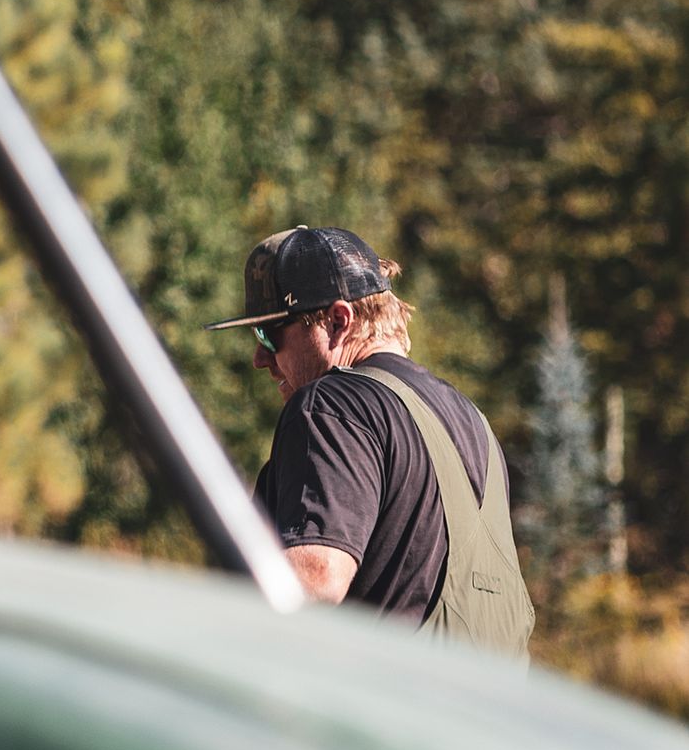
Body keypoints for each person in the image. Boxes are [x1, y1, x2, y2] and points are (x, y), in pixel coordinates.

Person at [208, 224, 534, 656]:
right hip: (487, 717)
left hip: (377, 715)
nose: (259, 358)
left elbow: (314, 580)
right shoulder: (471, 418)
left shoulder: (331, 404)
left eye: (270, 334)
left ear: (339, 321)